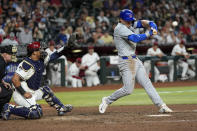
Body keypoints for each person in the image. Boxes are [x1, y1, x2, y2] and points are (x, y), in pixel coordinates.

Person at [99, 9, 172, 114]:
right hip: (125, 61)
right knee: (128, 90)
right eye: (127, 20)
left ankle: (161, 105)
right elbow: (135, 38)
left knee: (147, 83)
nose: (130, 22)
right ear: (121, 19)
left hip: (135, 59)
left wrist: (151, 23)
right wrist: (149, 33)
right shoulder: (119, 28)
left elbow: (142, 22)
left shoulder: (130, 23)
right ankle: (107, 100)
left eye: (130, 20)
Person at [1, 41, 74, 120]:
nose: (42, 51)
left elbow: (56, 54)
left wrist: (66, 47)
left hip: (32, 91)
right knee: (36, 113)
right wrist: (24, 93)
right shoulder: (26, 64)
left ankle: (61, 108)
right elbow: (14, 80)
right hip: (21, 94)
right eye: (39, 49)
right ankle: (9, 108)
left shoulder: (41, 60)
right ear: (34, 53)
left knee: (46, 90)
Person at [0, 45, 17, 118]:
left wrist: (3, 82)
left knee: (8, 89)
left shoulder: (2, 61)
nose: (13, 56)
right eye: (11, 54)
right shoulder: (1, 62)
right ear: (5, 54)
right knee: (6, 91)